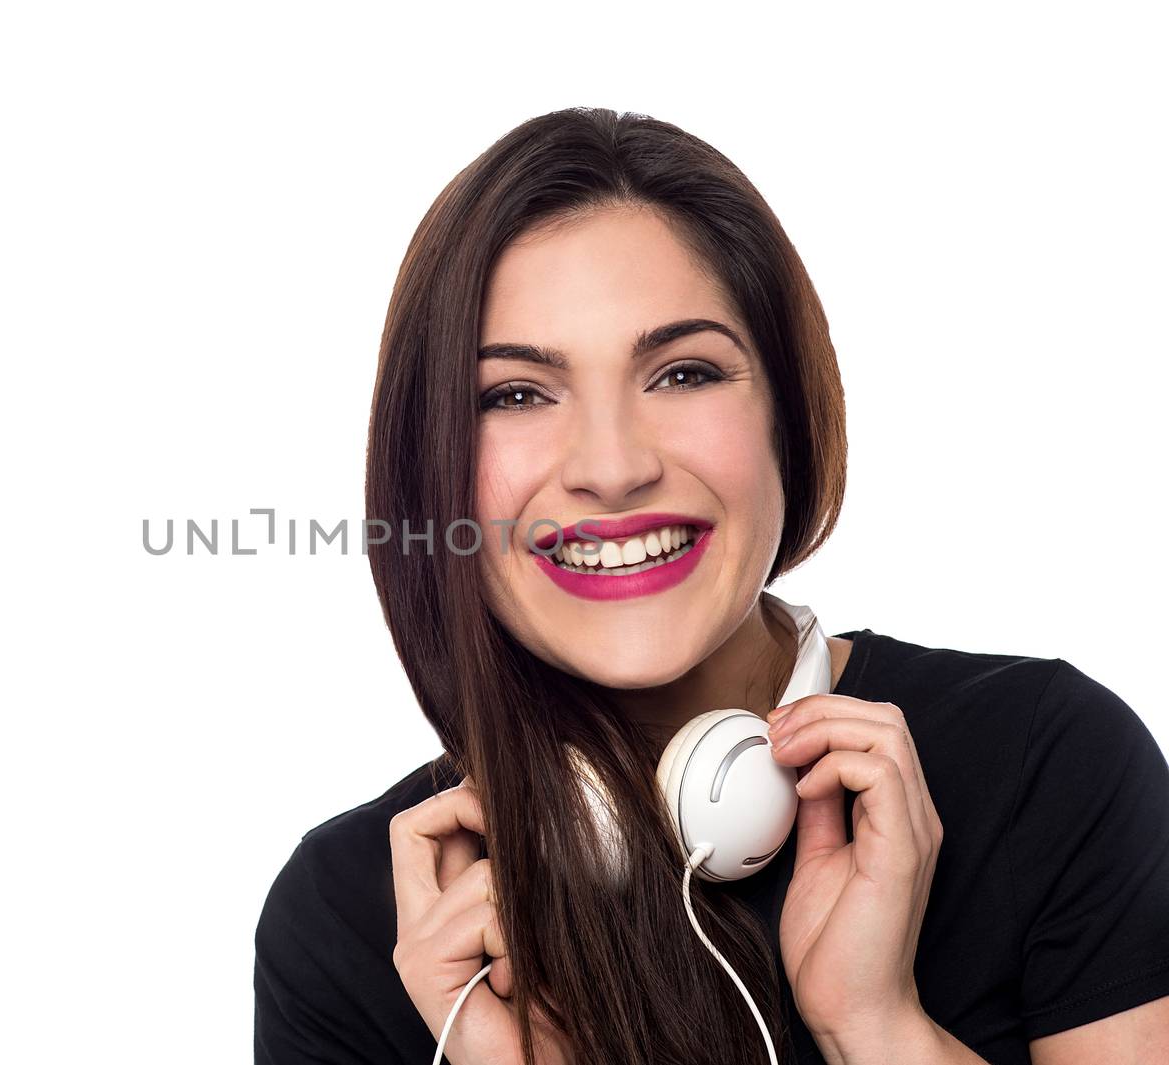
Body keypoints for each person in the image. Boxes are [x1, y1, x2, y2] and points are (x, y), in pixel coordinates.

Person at [252, 108, 1169, 1065]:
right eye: (517, 394)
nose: (611, 468)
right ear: (429, 458)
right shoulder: (359, 924)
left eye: (683, 373)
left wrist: (879, 1027)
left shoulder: (1046, 761)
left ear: (789, 416)